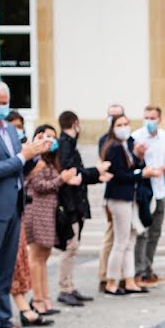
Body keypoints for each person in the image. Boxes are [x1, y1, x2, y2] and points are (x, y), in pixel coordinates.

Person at [0, 81, 49, 328]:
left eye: (4, 102)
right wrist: (23, 156)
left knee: (6, 270)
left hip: (14, 206)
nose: (1, 107)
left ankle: (4, 323)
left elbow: (18, 167)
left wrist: (35, 152)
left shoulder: (10, 128)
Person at [25, 124, 82, 317]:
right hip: (36, 211)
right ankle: (38, 299)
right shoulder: (36, 162)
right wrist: (62, 179)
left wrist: (65, 179)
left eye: (53, 137)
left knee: (44, 256)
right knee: (36, 256)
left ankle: (45, 298)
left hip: (48, 212)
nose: (51, 141)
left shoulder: (50, 161)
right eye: (46, 137)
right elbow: (39, 185)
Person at [57, 110, 112, 304]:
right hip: (70, 204)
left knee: (73, 247)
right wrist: (96, 171)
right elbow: (72, 173)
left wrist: (95, 176)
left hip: (76, 202)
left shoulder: (68, 144)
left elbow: (79, 176)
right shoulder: (65, 145)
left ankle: (70, 287)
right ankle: (65, 288)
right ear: (75, 124)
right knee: (70, 247)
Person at [101, 115, 153, 296]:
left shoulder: (127, 145)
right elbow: (120, 175)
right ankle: (111, 282)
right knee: (121, 242)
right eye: (119, 125)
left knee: (130, 240)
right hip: (118, 198)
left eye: (125, 124)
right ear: (113, 128)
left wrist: (139, 159)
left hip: (129, 197)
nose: (123, 127)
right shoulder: (114, 147)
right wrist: (142, 174)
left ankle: (130, 280)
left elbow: (132, 169)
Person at [131, 105, 165, 287]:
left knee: (155, 232)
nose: (149, 121)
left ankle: (148, 269)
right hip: (144, 191)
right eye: (146, 117)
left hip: (160, 189)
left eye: (152, 118)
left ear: (159, 119)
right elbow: (132, 165)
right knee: (143, 233)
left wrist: (164, 168)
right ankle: (138, 271)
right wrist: (139, 156)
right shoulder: (136, 136)